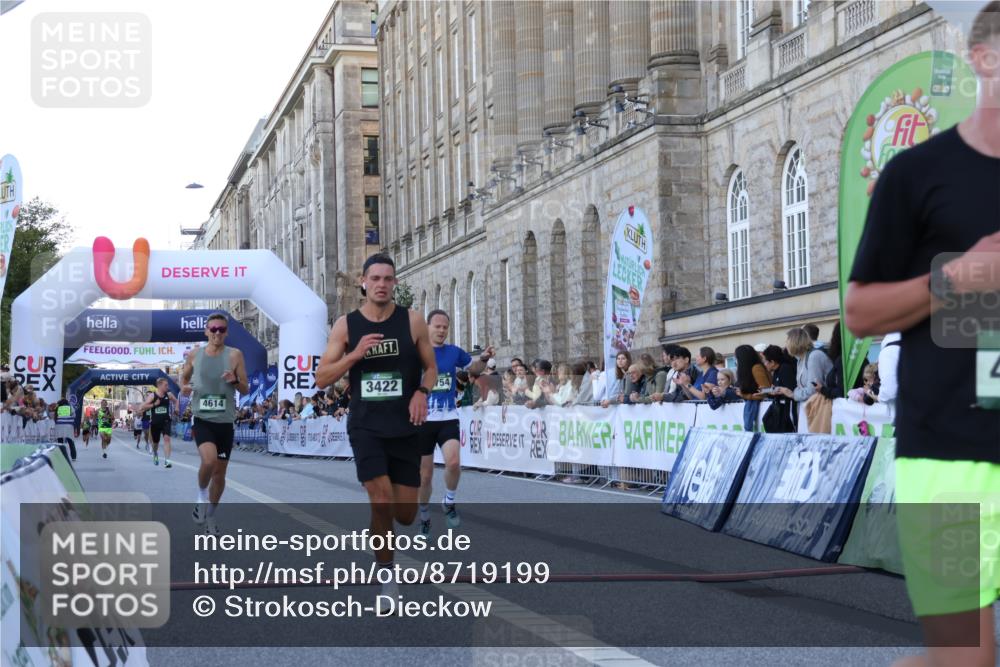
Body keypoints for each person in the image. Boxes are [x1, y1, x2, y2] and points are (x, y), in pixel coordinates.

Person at [845, 4, 1000, 663]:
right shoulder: (916, 173)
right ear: (983, 58)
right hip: (949, 455)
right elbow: (859, 311)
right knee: (963, 656)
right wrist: (955, 281)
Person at [314, 254, 437, 598]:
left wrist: (422, 392)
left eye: (388, 278)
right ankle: (387, 579)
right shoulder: (346, 325)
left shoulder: (412, 321)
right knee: (380, 501)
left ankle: (387, 543)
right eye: (375, 279)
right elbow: (322, 377)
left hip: (406, 424)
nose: (382, 284)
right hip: (366, 425)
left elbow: (430, 367)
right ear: (363, 283)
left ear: (395, 283)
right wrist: (354, 356)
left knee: (406, 515)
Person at [416, 308, 493, 535]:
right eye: (437, 326)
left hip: (448, 416)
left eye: (445, 327)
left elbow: (475, 368)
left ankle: (449, 501)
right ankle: (424, 516)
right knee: (425, 475)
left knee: (453, 463)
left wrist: (484, 359)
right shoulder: (416, 353)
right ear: (427, 327)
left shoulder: (454, 352)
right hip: (423, 419)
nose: (441, 331)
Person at [181, 312, 250, 535]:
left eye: (221, 329)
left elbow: (245, 388)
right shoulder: (194, 355)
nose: (217, 333)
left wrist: (235, 380)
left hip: (225, 422)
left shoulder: (235, 355)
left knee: (220, 475)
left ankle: (210, 516)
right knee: (209, 462)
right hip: (202, 419)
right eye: (213, 329)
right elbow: (182, 379)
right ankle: (201, 498)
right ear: (206, 331)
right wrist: (184, 387)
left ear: (227, 332)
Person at [773, 328, 832, 404]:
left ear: (795, 341)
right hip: (812, 405)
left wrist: (793, 394)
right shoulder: (801, 359)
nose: (785, 344)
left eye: (787, 340)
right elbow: (800, 387)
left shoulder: (814, 356)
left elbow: (813, 390)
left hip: (823, 405)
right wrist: (795, 393)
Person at [137, 378, 178, 468]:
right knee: (156, 443)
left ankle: (167, 461)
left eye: (167, 385)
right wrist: (154, 404)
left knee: (167, 439)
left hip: (166, 421)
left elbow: (176, 401)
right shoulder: (152, 396)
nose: (167, 387)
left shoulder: (169, 395)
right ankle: (155, 453)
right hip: (155, 423)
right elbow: (142, 407)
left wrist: (176, 408)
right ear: (159, 386)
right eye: (165, 385)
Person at [735, 343, 773, 431]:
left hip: (758, 404)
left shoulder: (756, 368)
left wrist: (746, 395)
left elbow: (766, 391)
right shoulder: (752, 368)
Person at [54, 397, 77, 462]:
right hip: (68, 426)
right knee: (70, 441)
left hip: (59, 426)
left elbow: (55, 416)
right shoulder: (70, 407)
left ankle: (61, 456)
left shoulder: (58, 408)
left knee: (60, 441)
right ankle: (73, 456)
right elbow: (74, 415)